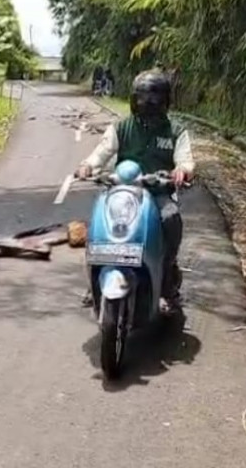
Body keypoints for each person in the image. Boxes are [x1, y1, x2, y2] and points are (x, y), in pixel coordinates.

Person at [75, 68, 195, 313]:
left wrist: (182, 170)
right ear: (134, 99)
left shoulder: (175, 131)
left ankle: (166, 282)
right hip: (121, 192)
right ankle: (95, 279)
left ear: (165, 101)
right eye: (142, 98)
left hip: (158, 193)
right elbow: (101, 153)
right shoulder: (121, 128)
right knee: (100, 223)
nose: (147, 103)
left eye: (154, 99)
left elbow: (185, 160)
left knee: (171, 218)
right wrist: (87, 166)